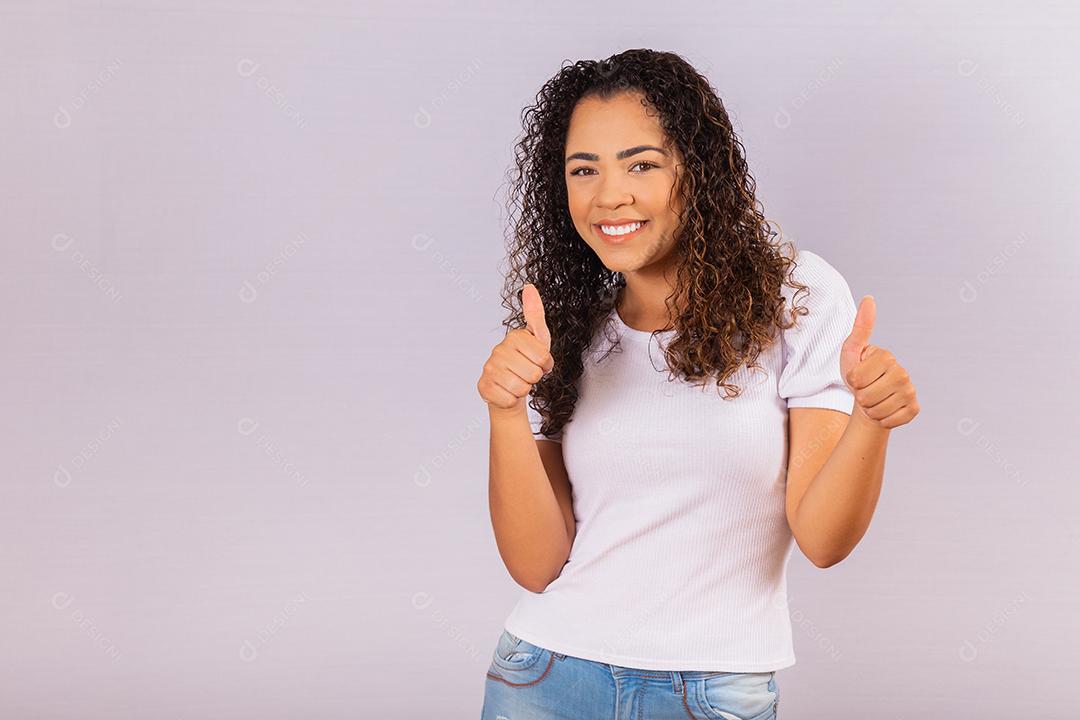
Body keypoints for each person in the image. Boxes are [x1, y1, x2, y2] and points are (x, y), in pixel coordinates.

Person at [475, 48, 920, 719]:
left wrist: (872, 421)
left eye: (642, 164)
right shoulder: (567, 330)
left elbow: (824, 540)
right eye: (583, 170)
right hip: (545, 679)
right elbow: (536, 565)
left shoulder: (795, 298)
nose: (609, 195)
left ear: (698, 171)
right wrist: (504, 413)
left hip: (712, 693)